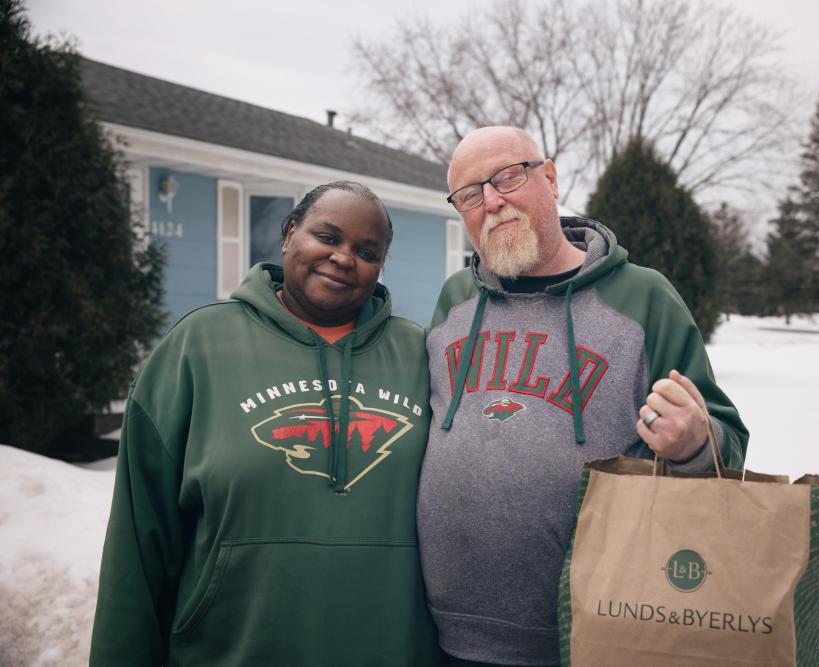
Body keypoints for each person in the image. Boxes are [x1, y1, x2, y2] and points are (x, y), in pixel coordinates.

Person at [417, 127, 750, 666]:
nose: (493, 202)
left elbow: (726, 441)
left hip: (596, 633)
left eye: (507, 177)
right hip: (450, 637)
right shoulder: (455, 300)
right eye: (470, 195)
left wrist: (693, 440)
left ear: (548, 177)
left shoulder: (642, 297)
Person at [91, 182, 442, 666]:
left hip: (392, 649)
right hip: (231, 649)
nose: (344, 258)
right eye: (328, 236)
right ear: (289, 233)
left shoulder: (420, 356)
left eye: (367, 250)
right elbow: (139, 534)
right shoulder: (200, 345)